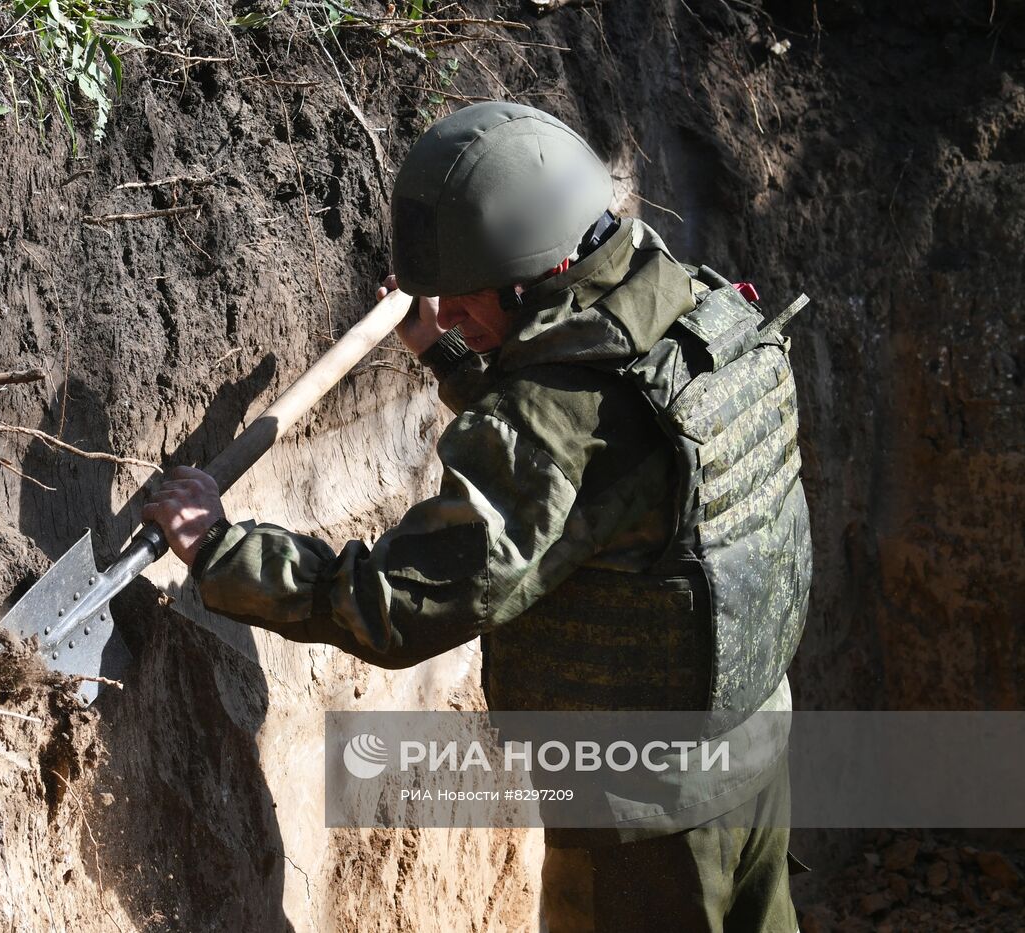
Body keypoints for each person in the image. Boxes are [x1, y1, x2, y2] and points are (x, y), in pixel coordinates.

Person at [143, 101, 811, 932]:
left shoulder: (560, 416)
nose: (448, 315)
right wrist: (449, 353)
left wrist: (219, 547)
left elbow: (401, 604)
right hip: (753, 753)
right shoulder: (670, 289)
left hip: (651, 830)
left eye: (463, 303)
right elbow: (600, 457)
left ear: (531, 277)